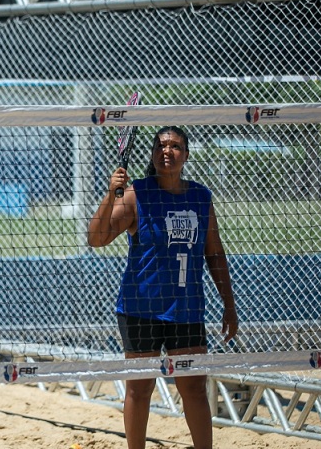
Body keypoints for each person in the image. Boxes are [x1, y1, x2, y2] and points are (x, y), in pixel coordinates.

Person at [87, 126, 238, 449]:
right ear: (153, 153)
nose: (166, 151)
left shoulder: (200, 196)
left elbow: (214, 251)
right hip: (141, 309)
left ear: (186, 154)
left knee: (194, 388)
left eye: (175, 146)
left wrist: (229, 303)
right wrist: (109, 193)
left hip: (186, 309)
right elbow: (96, 239)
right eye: (160, 145)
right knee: (140, 390)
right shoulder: (136, 193)